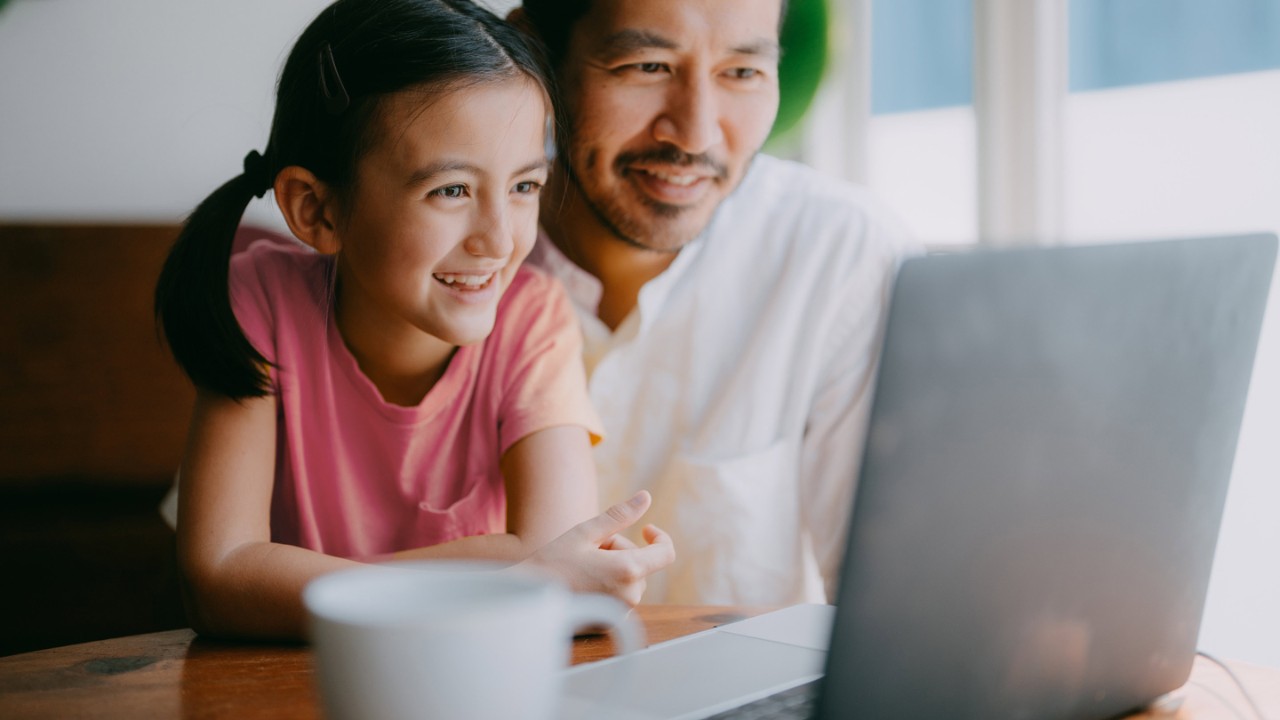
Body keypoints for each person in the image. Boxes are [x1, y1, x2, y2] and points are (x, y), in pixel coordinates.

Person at [154, 0, 673, 640]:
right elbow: (219, 579)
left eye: (525, 187)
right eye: (450, 191)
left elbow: (552, 563)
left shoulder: (533, 319)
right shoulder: (263, 300)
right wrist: (500, 574)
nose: (501, 239)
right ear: (317, 210)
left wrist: (295, 582)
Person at [514, 0, 917, 605]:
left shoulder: (838, 254)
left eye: (742, 72)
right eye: (647, 66)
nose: (696, 132)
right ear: (536, 55)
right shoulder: (438, 263)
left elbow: (897, 606)